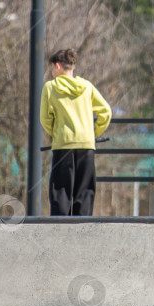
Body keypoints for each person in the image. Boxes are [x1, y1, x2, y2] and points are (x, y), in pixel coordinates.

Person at [40, 48, 112, 216]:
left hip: (62, 145)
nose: (51, 72)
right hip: (86, 144)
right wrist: (93, 133)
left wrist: (57, 133)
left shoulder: (50, 88)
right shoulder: (86, 87)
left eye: (52, 68)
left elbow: (45, 119)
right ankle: (82, 228)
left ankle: (59, 228)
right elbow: (106, 112)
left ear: (57, 66)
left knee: (60, 190)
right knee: (85, 190)